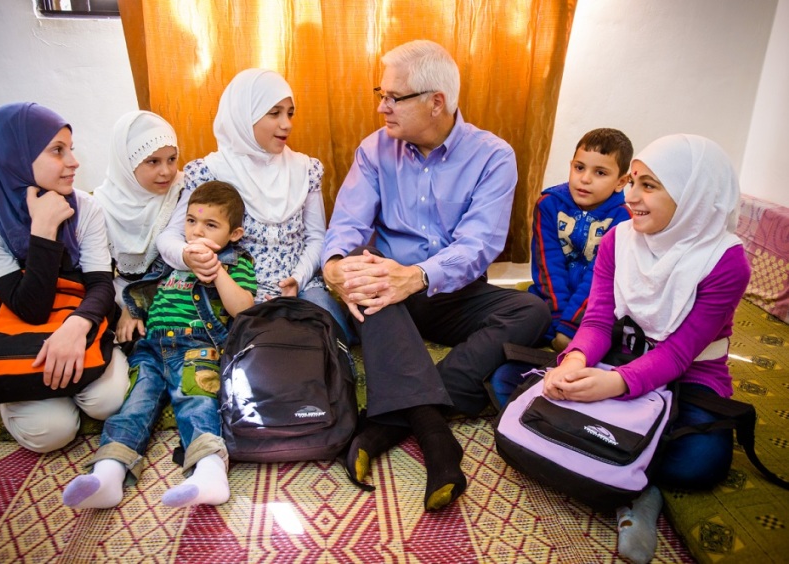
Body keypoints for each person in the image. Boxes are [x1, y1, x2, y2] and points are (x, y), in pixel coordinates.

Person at [321, 40, 551, 511]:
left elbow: (479, 244)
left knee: (532, 310)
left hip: (454, 291)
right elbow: (347, 225)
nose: (381, 106)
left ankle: (390, 422)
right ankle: (435, 435)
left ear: (436, 102)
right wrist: (335, 266)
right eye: (379, 93)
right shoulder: (375, 149)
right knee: (371, 280)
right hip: (391, 294)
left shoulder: (493, 155)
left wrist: (419, 276)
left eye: (393, 97)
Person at [542, 134, 750, 563]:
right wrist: (575, 361)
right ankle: (625, 460)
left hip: (689, 379)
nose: (631, 196)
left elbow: (679, 354)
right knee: (514, 382)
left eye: (649, 185)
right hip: (620, 356)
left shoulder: (725, 261)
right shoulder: (619, 240)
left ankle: (627, 477)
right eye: (632, 181)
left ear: (692, 195)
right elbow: (598, 321)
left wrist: (613, 386)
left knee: (703, 462)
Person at [62, 181, 256, 509]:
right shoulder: (173, 258)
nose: (197, 232)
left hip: (197, 348)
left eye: (211, 225)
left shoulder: (236, 260)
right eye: (192, 221)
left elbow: (244, 308)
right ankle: (108, 474)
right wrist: (129, 312)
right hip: (150, 348)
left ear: (234, 234)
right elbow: (143, 288)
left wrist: (219, 271)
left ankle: (210, 472)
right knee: (132, 406)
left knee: (196, 402)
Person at [0, 102, 130, 453]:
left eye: (71, 149)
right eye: (57, 151)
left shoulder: (86, 207)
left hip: (75, 314)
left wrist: (76, 327)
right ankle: (18, 392)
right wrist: (44, 230)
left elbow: (99, 284)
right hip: (18, 321)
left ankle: (55, 383)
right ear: (13, 157)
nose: (74, 162)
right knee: (52, 431)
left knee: (105, 402)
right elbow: (29, 307)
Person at [156, 67, 353, 343]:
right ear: (243, 115)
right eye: (274, 113)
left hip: (301, 284)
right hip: (240, 289)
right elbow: (171, 235)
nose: (287, 124)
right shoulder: (210, 172)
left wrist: (298, 278)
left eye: (290, 113)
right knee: (260, 348)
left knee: (332, 335)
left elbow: (317, 236)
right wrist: (188, 255)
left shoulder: (304, 170)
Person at [489, 128, 633, 407]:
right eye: (579, 167)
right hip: (549, 303)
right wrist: (558, 324)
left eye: (601, 173)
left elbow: (599, 280)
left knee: (620, 342)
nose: (585, 179)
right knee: (517, 320)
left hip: (598, 312)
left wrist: (570, 327)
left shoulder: (624, 219)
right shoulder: (550, 204)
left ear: (621, 181)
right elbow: (547, 265)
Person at [93, 110, 184, 344]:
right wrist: (126, 306)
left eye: (172, 159)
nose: (166, 171)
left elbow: (200, 222)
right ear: (126, 163)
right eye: (153, 161)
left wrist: (136, 304)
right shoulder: (100, 205)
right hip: (116, 294)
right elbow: (97, 272)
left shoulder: (183, 190)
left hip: (171, 289)